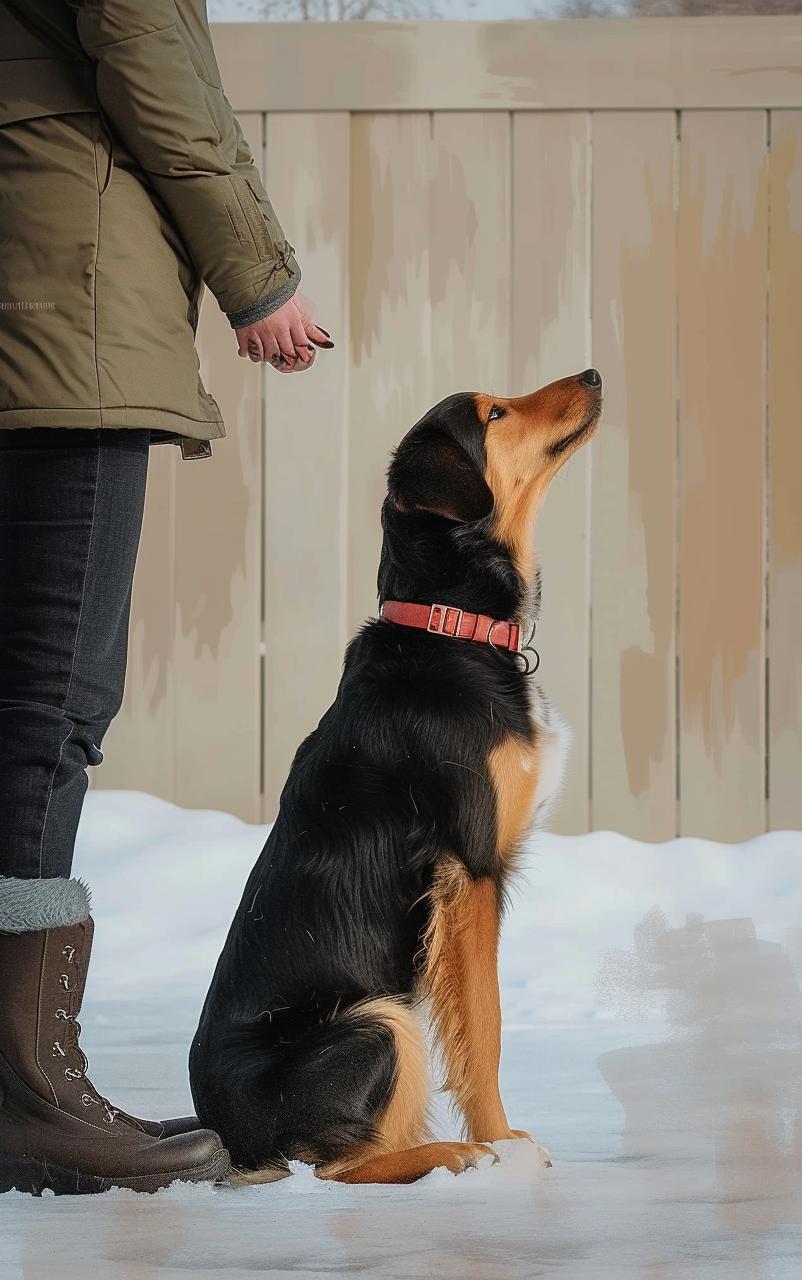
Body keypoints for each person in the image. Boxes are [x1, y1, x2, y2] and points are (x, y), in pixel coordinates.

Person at [0, 0, 333, 1196]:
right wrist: (259, 276)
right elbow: (153, 64)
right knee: (47, 710)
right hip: (66, 317)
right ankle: (28, 1095)